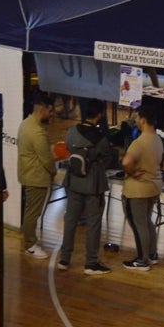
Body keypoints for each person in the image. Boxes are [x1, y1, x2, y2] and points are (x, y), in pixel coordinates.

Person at [57, 99, 116, 275]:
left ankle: (64, 259)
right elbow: (107, 159)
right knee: (93, 224)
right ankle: (91, 263)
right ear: (99, 115)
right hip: (93, 186)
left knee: (70, 221)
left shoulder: (71, 132)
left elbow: (68, 149)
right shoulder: (101, 138)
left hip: (73, 182)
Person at [120, 104, 164, 271]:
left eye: (137, 118)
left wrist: (131, 173)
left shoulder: (139, 143)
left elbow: (126, 162)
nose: (136, 121)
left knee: (138, 224)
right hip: (153, 186)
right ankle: (152, 254)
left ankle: (141, 260)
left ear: (143, 120)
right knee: (146, 221)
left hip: (137, 190)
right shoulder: (157, 139)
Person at [18, 93, 56, 258]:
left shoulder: (25, 124)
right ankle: (30, 245)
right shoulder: (37, 132)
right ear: (42, 109)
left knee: (30, 211)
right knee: (33, 213)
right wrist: (54, 171)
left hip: (27, 174)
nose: (52, 114)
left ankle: (29, 240)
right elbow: (46, 159)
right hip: (36, 177)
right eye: (50, 111)